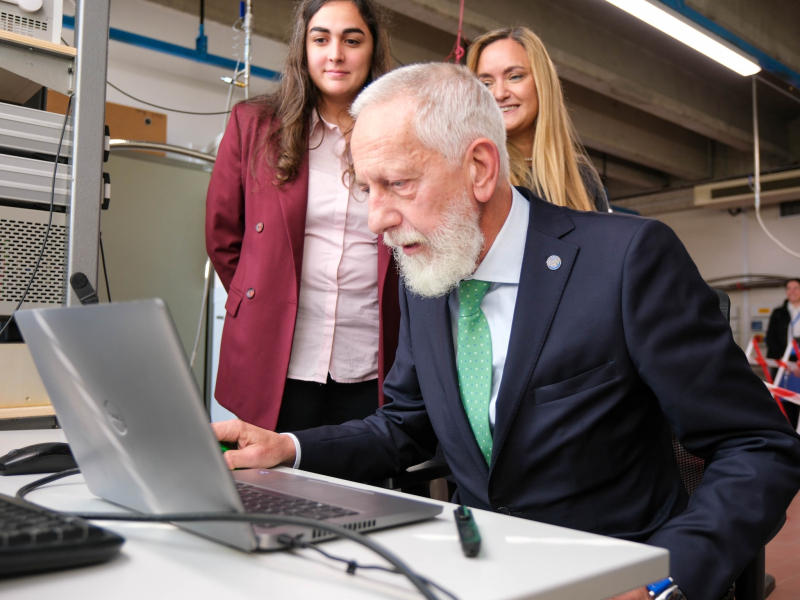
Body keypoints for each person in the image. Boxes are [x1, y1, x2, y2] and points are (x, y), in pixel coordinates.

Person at [212, 63, 800, 600]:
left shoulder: (624, 262)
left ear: (480, 168)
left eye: (397, 184)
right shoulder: (425, 272)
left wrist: (665, 581)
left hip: (610, 576)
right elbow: (405, 425)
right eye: (367, 190)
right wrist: (288, 447)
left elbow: (758, 447)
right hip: (478, 573)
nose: (377, 220)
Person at [206, 0, 400, 432]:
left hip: (370, 358)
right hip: (276, 355)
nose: (336, 53)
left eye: (352, 40)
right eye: (321, 38)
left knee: (360, 491)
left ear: (372, 50)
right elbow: (223, 239)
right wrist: (264, 299)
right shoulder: (254, 125)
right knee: (266, 488)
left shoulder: (400, 138)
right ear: (303, 48)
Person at [466, 26, 609, 213]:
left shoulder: (579, 173)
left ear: (542, 83)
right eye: (486, 83)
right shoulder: (472, 172)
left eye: (514, 77)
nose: (499, 94)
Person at [766, 277, 800, 428]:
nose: (792, 291)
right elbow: (771, 337)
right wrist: (781, 360)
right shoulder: (779, 312)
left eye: (796, 288)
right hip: (783, 360)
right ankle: (789, 434)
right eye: (789, 288)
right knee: (784, 402)